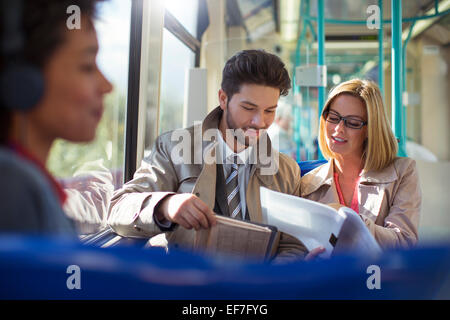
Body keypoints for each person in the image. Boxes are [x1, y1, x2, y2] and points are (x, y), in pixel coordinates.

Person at [108, 50, 323, 262]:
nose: (260, 122)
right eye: (249, 108)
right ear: (223, 98)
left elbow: (291, 244)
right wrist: (166, 205)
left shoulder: (286, 171)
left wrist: (272, 277)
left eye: (270, 111)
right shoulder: (174, 148)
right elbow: (118, 208)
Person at [0, 0, 113, 235]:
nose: (107, 86)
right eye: (87, 66)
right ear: (23, 79)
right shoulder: (13, 187)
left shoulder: (30, 184)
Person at [301, 79, 421, 249]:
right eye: (333, 118)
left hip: (379, 274)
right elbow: (295, 246)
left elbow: (404, 242)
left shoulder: (403, 172)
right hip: (327, 275)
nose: (338, 129)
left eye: (353, 123)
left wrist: (352, 223)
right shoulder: (307, 183)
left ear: (370, 129)